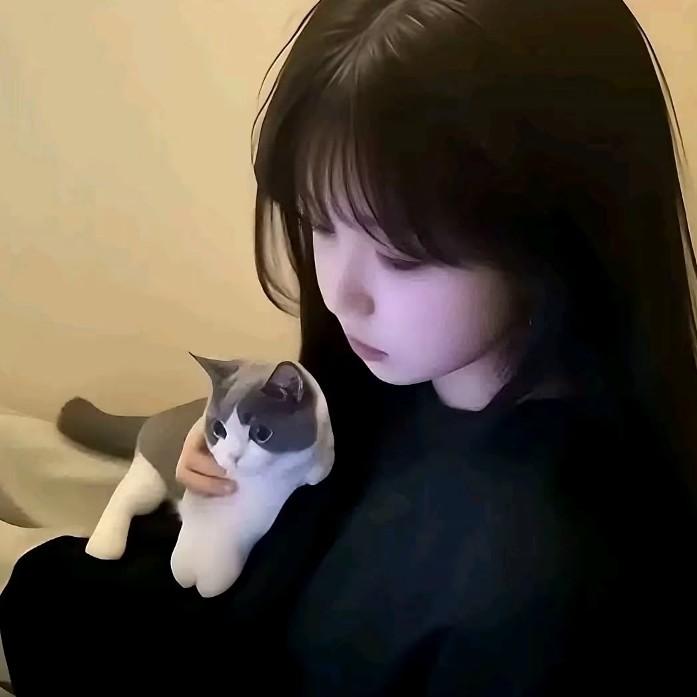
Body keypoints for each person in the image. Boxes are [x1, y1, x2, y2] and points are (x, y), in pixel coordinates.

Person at [2, 0, 697, 694]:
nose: (339, 293)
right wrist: (243, 472)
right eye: (318, 223)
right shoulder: (402, 378)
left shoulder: (537, 591)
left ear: (560, 231)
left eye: (401, 255)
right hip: (189, 603)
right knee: (49, 584)